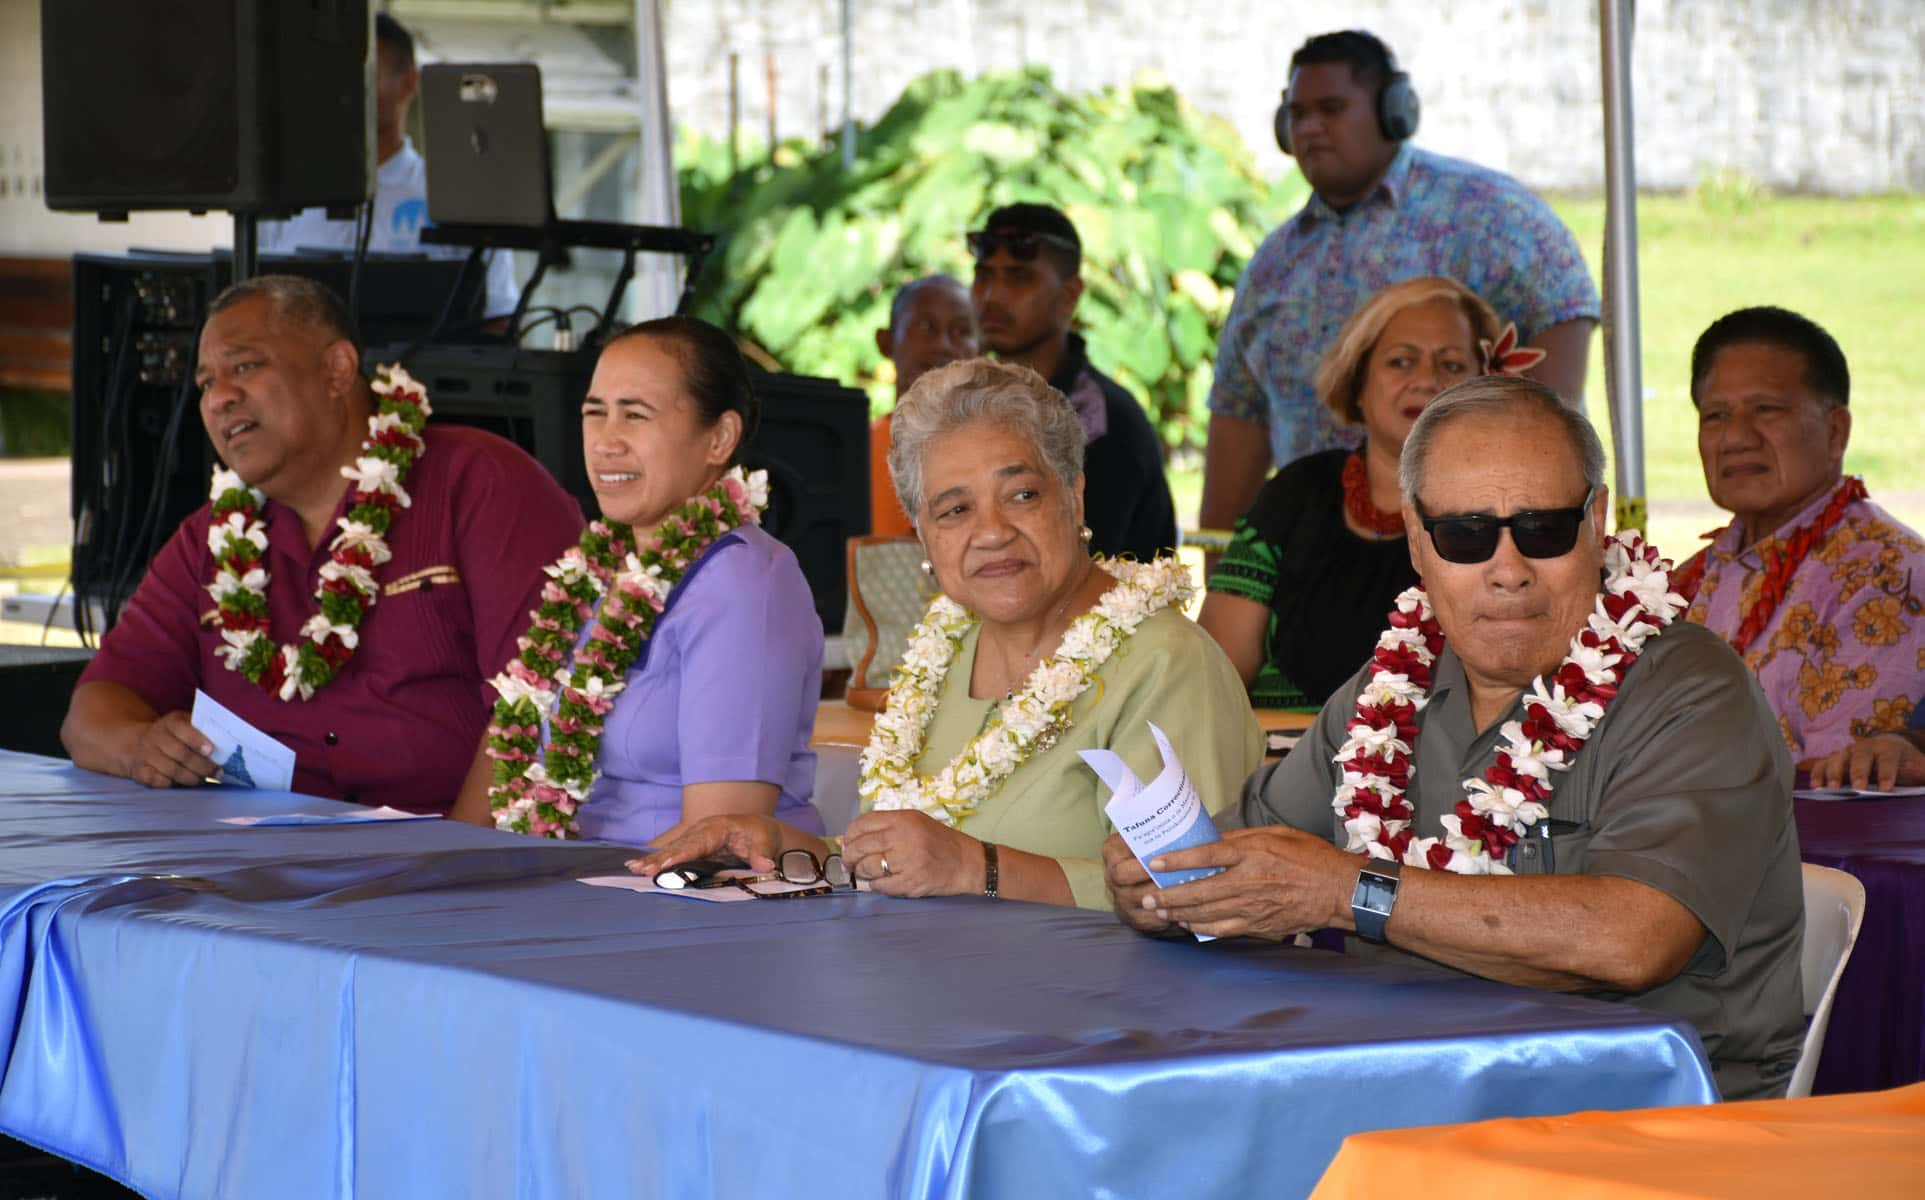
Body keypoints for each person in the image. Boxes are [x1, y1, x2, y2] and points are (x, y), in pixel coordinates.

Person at [1108, 376, 1806, 1102]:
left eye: (1541, 529)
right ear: (1416, 540)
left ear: (1596, 522)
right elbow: (1245, 861)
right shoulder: (1390, 688)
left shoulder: (1693, 690)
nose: (1507, 571)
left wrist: (1349, 892)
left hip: (1635, 1120)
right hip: (1402, 1090)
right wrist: (1164, 885)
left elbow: (1632, 940)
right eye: (1465, 536)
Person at [634, 358, 1263, 909]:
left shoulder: (1163, 663)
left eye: (1021, 494)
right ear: (923, 537)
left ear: (1073, 495)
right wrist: (775, 842)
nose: (991, 531)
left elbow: (1198, 892)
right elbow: (911, 864)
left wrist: (977, 868)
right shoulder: (945, 654)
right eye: (955, 510)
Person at [60, 275, 582, 810]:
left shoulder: (478, 483)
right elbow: (92, 714)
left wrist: (452, 871)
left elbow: (539, 709)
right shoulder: (209, 540)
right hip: (266, 873)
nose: (219, 398)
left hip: (455, 867)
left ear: (336, 369)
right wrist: (143, 747)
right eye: (205, 383)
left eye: (245, 367)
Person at [1198, 29, 1599, 541]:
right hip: (1313, 557)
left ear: (1394, 112)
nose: (1312, 129)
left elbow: (1559, 350)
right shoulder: (1272, 265)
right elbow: (1239, 413)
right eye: (1298, 115)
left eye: (1332, 108)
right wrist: (1219, 555)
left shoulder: (1492, 215)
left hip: (1469, 543)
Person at [449, 317, 824, 845]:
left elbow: (717, 839)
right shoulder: (595, 570)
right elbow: (509, 740)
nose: (606, 442)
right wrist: (449, 869)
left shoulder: (747, 584)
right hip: (563, 885)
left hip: (681, 905)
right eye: (594, 413)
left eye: (635, 416)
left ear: (719, 438)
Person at [1200, 276, 1503, 707]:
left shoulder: (1501, 511)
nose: (1426, 380)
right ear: (1357, 381)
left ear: (1483, 385)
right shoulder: (1296, 493)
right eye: (1401, 361)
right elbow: (1213, 679)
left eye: (1451, 365)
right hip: (1281, 762)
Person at [1676, 306, 1925, 764]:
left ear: (1836, 430)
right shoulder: (1693, 577)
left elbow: (1836, 775)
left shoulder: (1888, 571)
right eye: (1715, 415)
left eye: (1765, 409)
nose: (1735, 437)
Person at [259, 14, 520, 320]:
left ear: (408, 83)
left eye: (366, 73)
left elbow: (499, 317)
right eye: (335, 74)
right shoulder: (283, 194)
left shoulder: (459, 194)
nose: (348, 89)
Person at [969, 203, 1179, 561]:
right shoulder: (971, 405)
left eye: (1019, 277)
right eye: (985, 275)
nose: (993, 295)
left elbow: (1078, 574)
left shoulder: (1100, 421)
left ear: (1069, 296)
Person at [870, 275, 979, 536]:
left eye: (962, 331)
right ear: (886, 342)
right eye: (925, 327)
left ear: (982, 350)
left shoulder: (997, 453)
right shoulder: (856, 451)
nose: (943, 344)